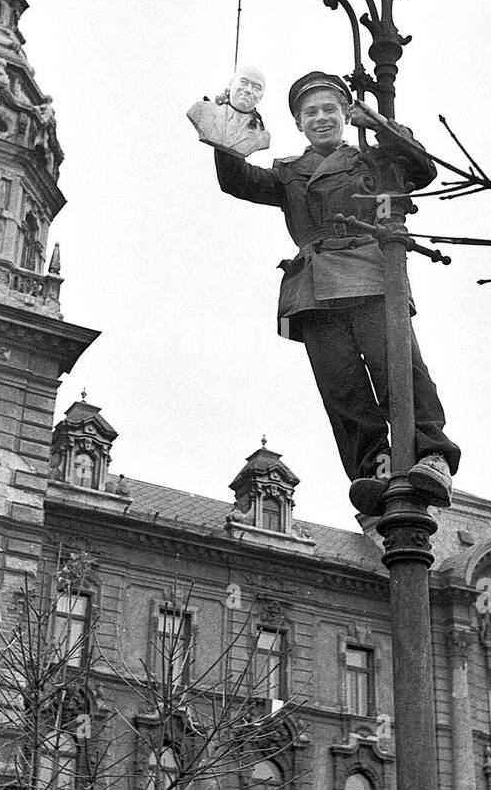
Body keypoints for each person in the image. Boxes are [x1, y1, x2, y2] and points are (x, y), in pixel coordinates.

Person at [212, 70, 460, 514]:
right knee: (342, 389)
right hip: (312, 290)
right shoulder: (288, 172)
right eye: (310, 113)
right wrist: (232, 119)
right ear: (298, 123)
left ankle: (433, 456)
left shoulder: (371, 158)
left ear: (346, 114)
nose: (321, 118)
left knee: (399, 369)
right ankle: (375, 470)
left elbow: (420, 169)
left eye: (330, 109)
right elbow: (235, 180)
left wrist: (380, 125)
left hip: (372, 276)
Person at [187, 65, 270, 159]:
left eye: (256, 87)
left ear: (261, 97)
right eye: (244, 82)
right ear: (230, 84)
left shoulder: (262, 136)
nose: (248, 90)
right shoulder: (202, 110)